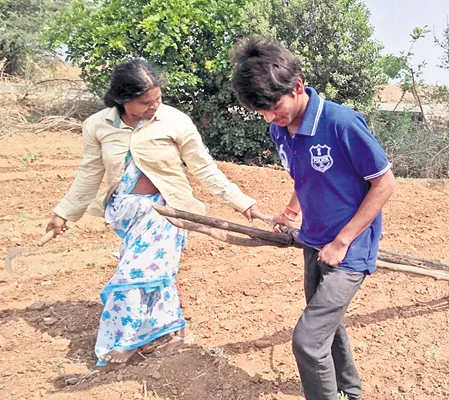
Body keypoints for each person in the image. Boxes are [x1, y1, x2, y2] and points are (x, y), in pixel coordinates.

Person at [46, 59, 258, 366]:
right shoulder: (97, 126)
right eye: (146, 102)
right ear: (123, 99)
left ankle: (127, 340)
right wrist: (64, 212)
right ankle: (181, 333)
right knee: (156, 275)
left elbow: (204, 168)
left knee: (132, 275)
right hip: (126, 213)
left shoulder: (175, 121)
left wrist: (243, 203)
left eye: (158, 98)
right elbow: (89, 174)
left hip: (167, 212)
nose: (154, 106)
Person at [230, 37, 396, 400]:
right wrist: (292, 211)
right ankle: (350, 392)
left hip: (349, 250)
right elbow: (303, 174)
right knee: (326, 328)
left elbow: (384, 183)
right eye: (262, 112)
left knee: (307, 340)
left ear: (298, 86)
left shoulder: (341, 123)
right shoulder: (279, 127)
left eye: (274, 107)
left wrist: (342, 241)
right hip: (313, 239)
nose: (270, 117)